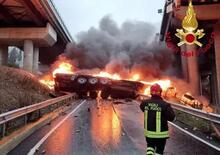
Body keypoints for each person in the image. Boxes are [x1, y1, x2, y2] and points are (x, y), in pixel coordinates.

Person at [140, 83, 175, 155]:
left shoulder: (144, 103)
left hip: (149, 133)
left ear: (150, 92)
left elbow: (143, 109)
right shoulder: (165, 105)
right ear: (160, 92)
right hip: (161, 135)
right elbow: (172, 118)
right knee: (159, 151)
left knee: (150, 147)